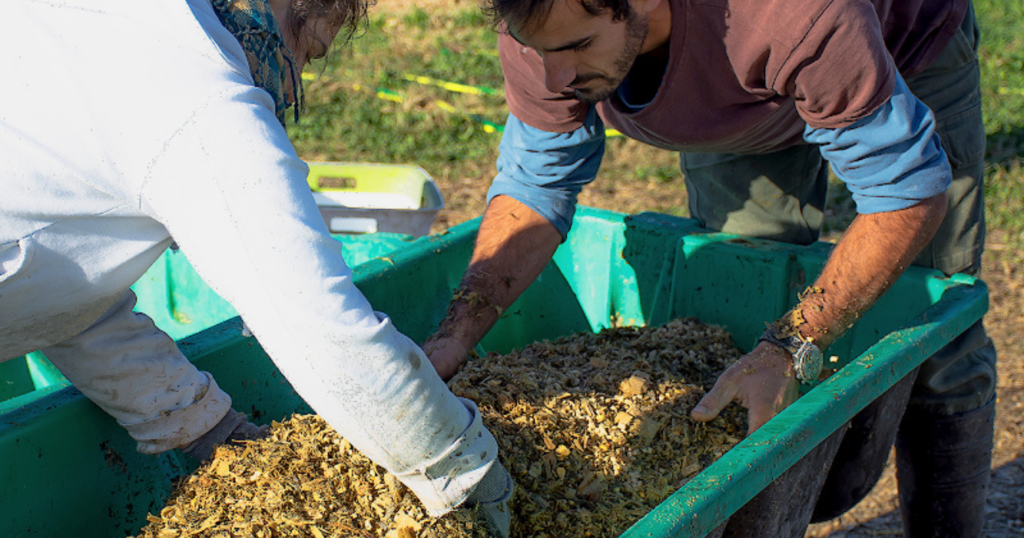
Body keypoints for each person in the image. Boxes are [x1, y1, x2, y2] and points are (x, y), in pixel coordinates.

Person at [422, 0, 996, 535]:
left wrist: (791, 346)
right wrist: (455, 337)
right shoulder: (543, 18)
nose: (553, 78)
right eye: (537, 51)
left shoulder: (790, 11)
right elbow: (533, 184)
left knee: (936, 330)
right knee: (740, 310)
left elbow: (906, 193)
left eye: (576, 46)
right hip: (738, 90)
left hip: (901, 47)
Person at [0, 0, 511, 535]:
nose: (293, 83)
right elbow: (315, 321)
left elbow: (58, 277)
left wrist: (206, 427)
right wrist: (461, 466)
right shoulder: (198, 94)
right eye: (309, 52)